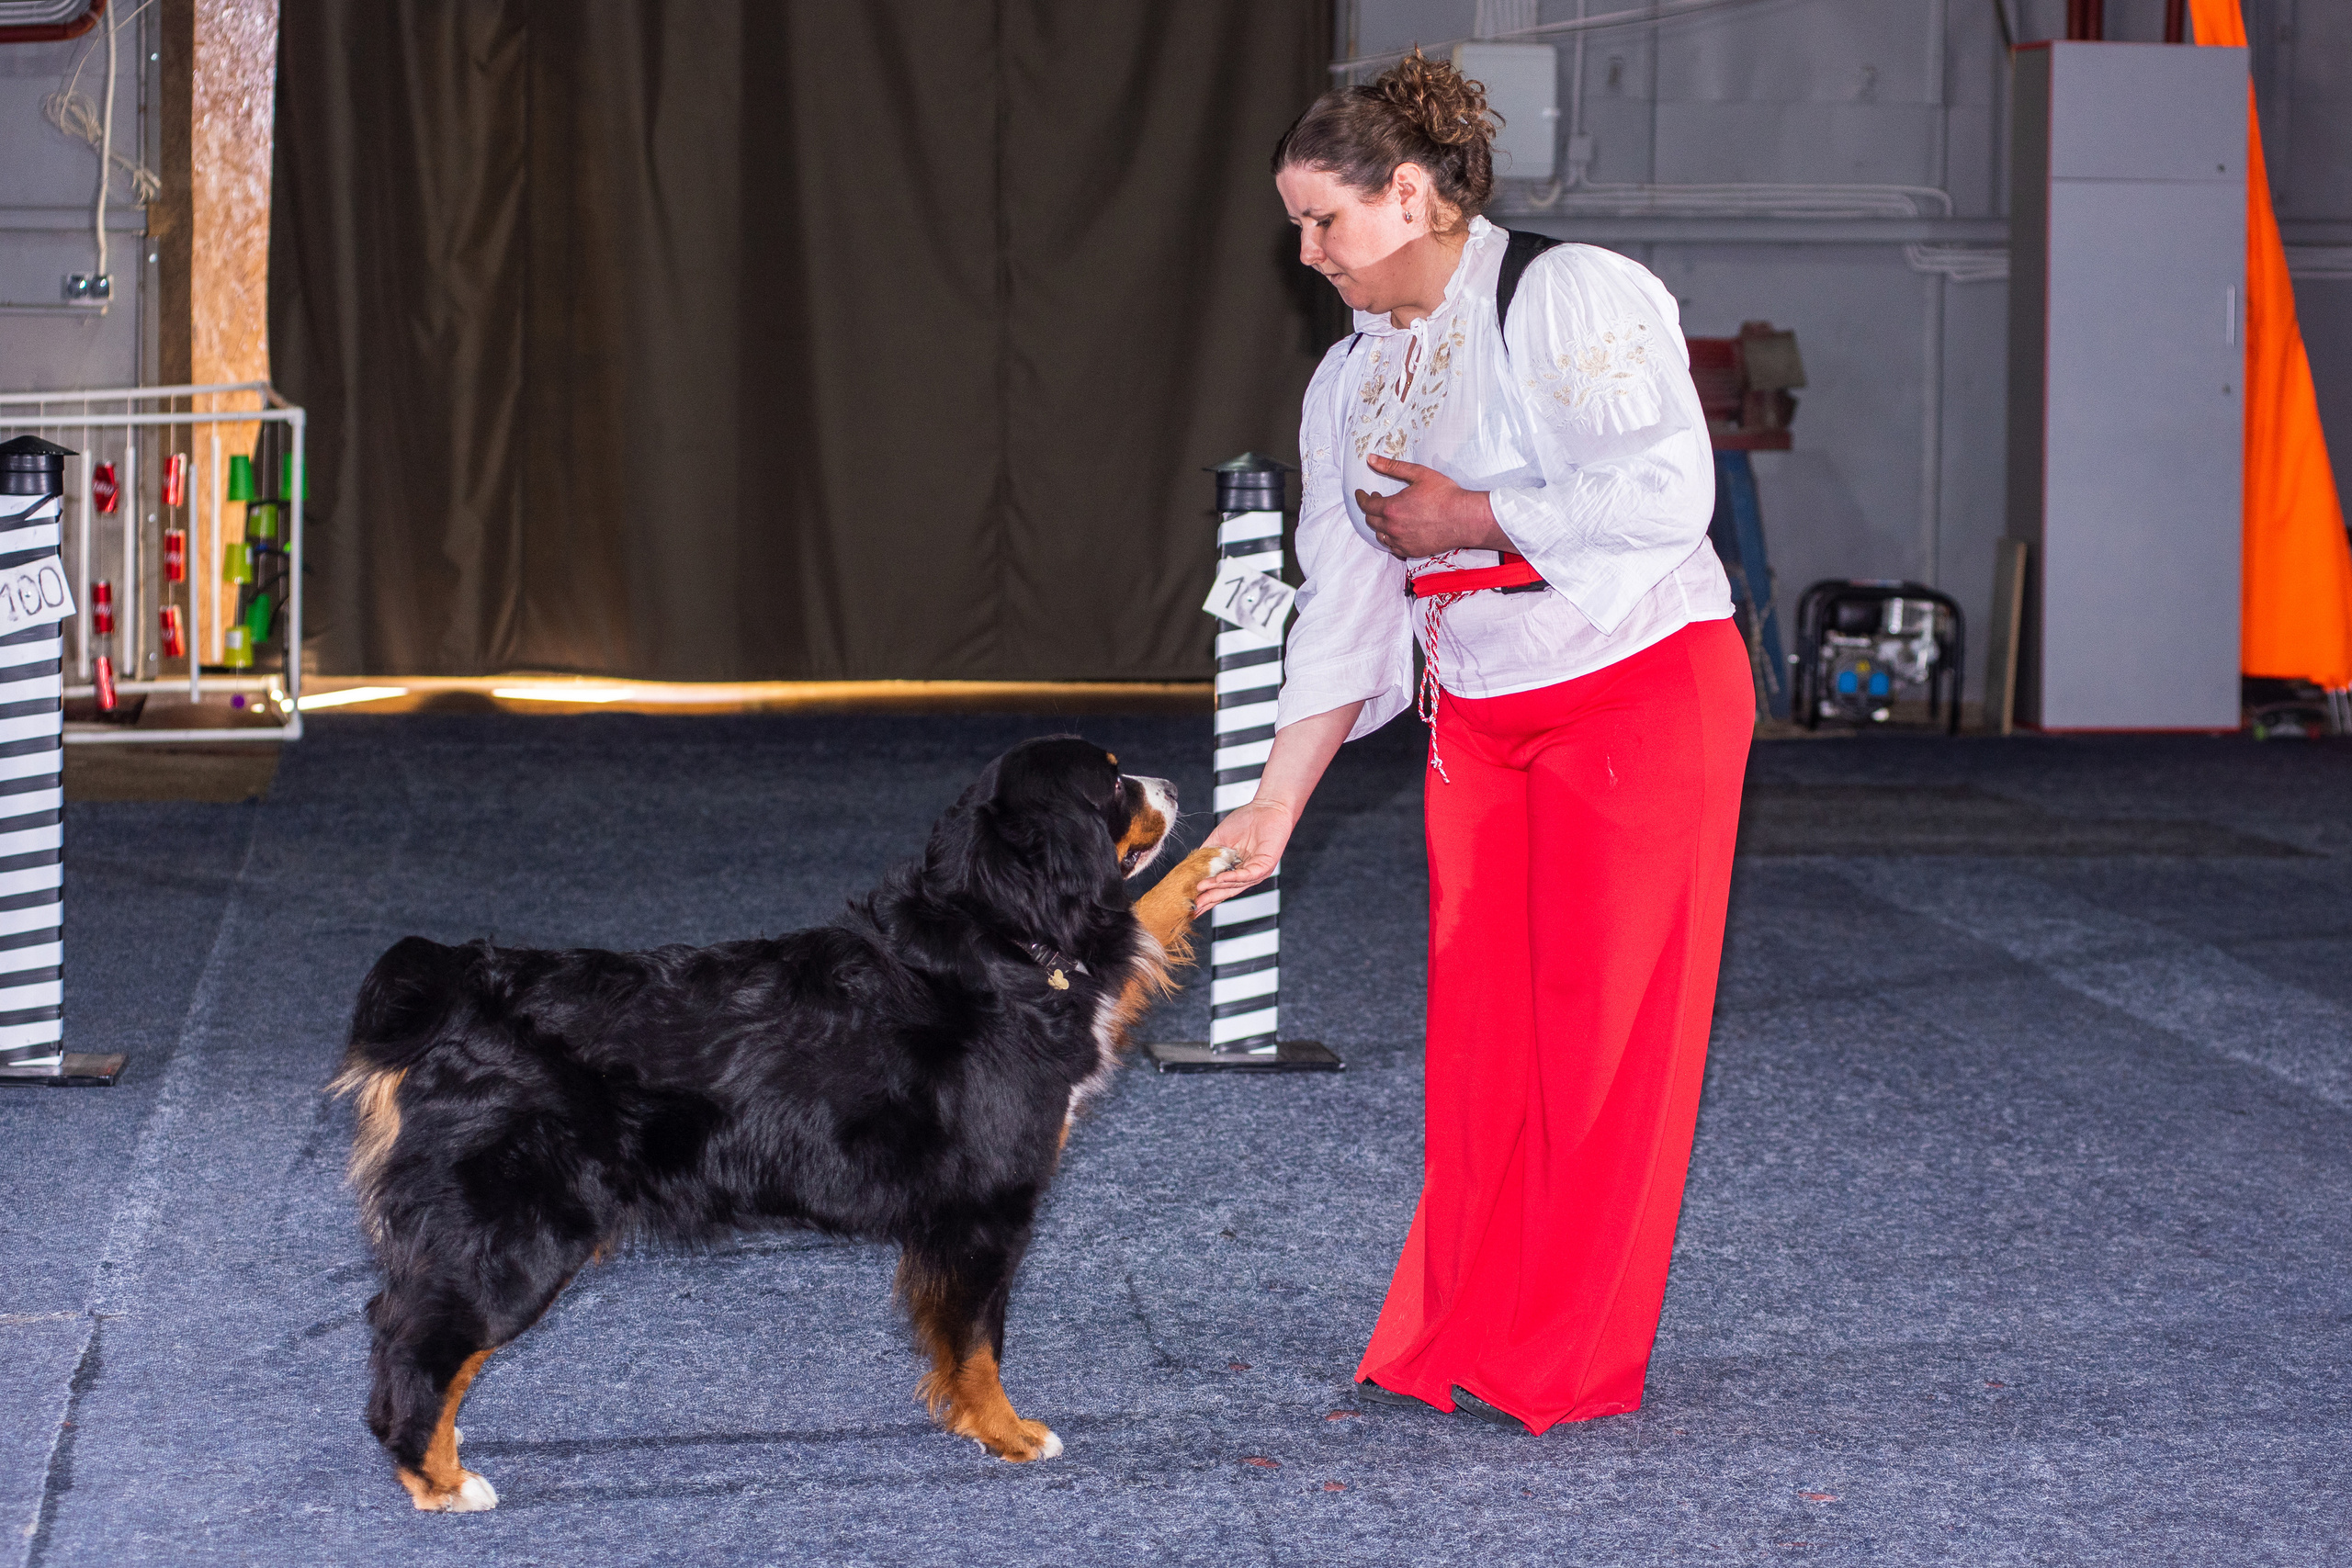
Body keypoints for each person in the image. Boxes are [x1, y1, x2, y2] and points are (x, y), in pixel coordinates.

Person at [1193, 51, 1753, 1434]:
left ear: (1413, 193)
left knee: (1604, 1038)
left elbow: (1672, 489)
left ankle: (1563, 1357)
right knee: (1484, 1041)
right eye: (1297, 229)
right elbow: (1342, 620)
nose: (1309, 252)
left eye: (1327, 220)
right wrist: (1273, 813)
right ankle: (1456, 1329)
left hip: (1641, 686)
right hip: (1482, 716)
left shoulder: (1565, 290)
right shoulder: (1347, 384)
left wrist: (1477, 517)